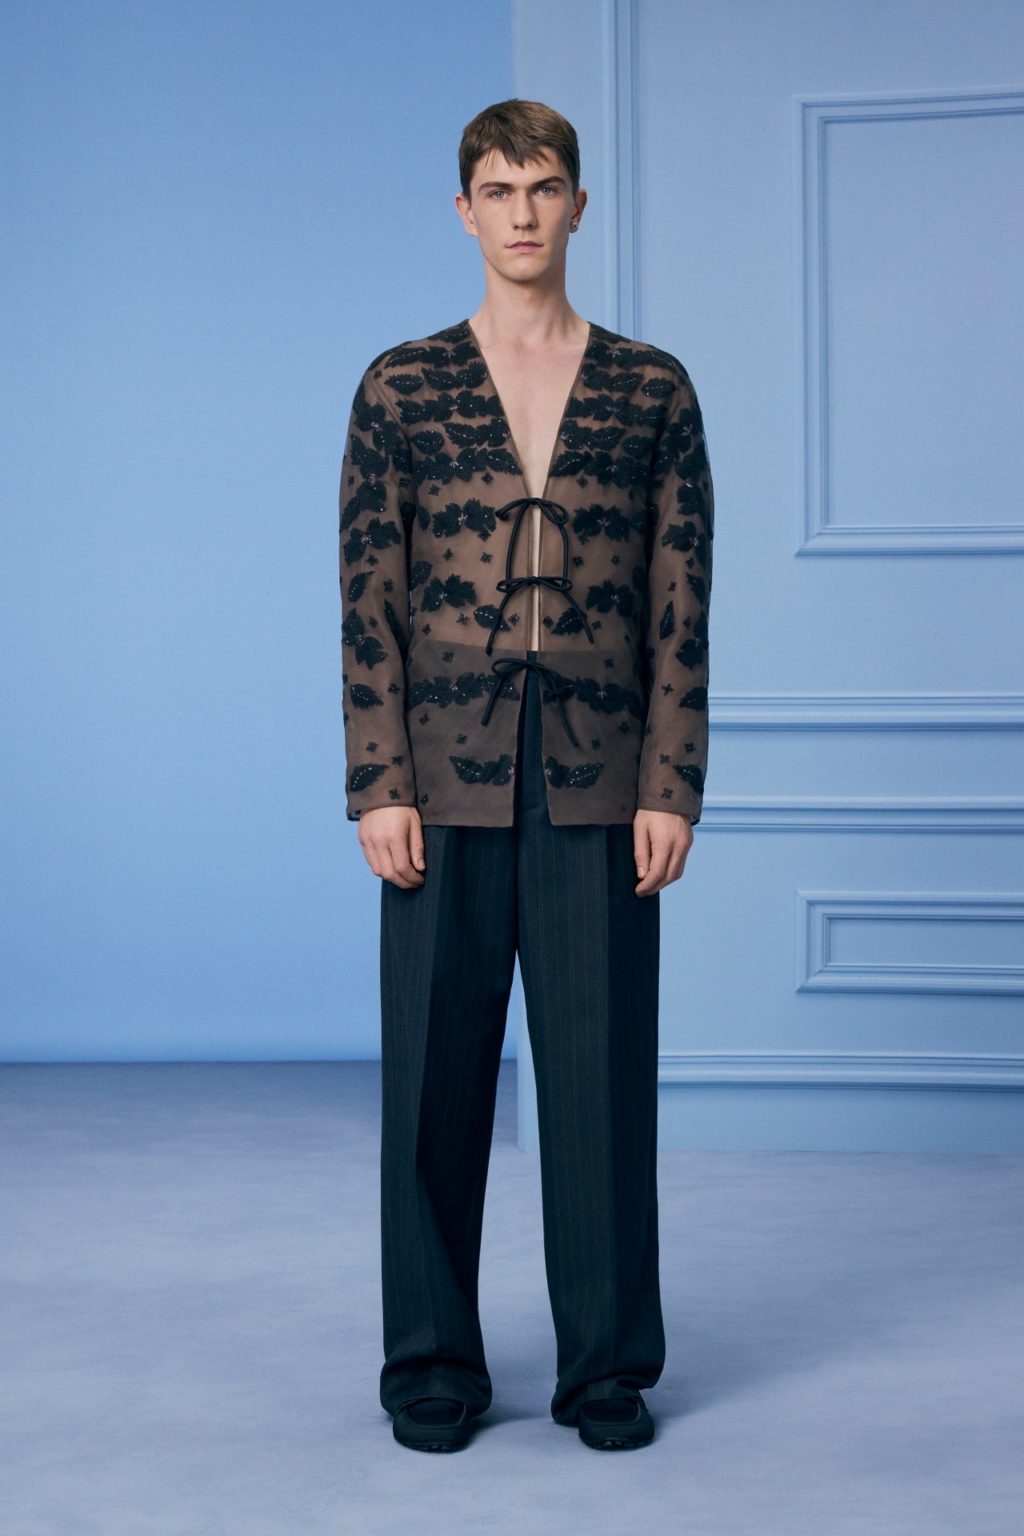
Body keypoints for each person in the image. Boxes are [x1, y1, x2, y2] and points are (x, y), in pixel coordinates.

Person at [337, 98, 714, 1453]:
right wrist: (378, 780)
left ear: (577, 206)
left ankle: (605, 1370)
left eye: (543, 187)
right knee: (434, 1088)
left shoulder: (652, 388)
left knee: (600, 1086)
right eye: (497, 190)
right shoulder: (402, 387)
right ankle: (433, 1364)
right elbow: (368, 595)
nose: (521, 213)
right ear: (464, 210)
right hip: (442, 781)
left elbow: (681, 601)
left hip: (603, 781)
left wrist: (672, 783)